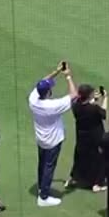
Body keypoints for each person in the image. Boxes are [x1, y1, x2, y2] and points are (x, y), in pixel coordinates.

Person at [29, 62, 77, 206]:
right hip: (53, 141)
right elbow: (74, 95)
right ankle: (43, 197)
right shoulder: (52, 105)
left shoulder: (33, 100)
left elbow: (42, 83)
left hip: (41, 139)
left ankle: (41, 188)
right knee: (49, 167)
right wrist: (68, 76)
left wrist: (56, 71)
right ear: (48, 92)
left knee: (42, 164)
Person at [65, 84, 107, 193]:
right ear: (88, 95)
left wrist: (93, 100)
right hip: (95, 137)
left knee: (80, 157)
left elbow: (84, 105)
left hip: (81, 136)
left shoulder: (75, 106)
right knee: (99, 159)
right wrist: (105, 98)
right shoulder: (93, 109)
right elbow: (103, 113)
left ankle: (74, 178)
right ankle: (97, 184)